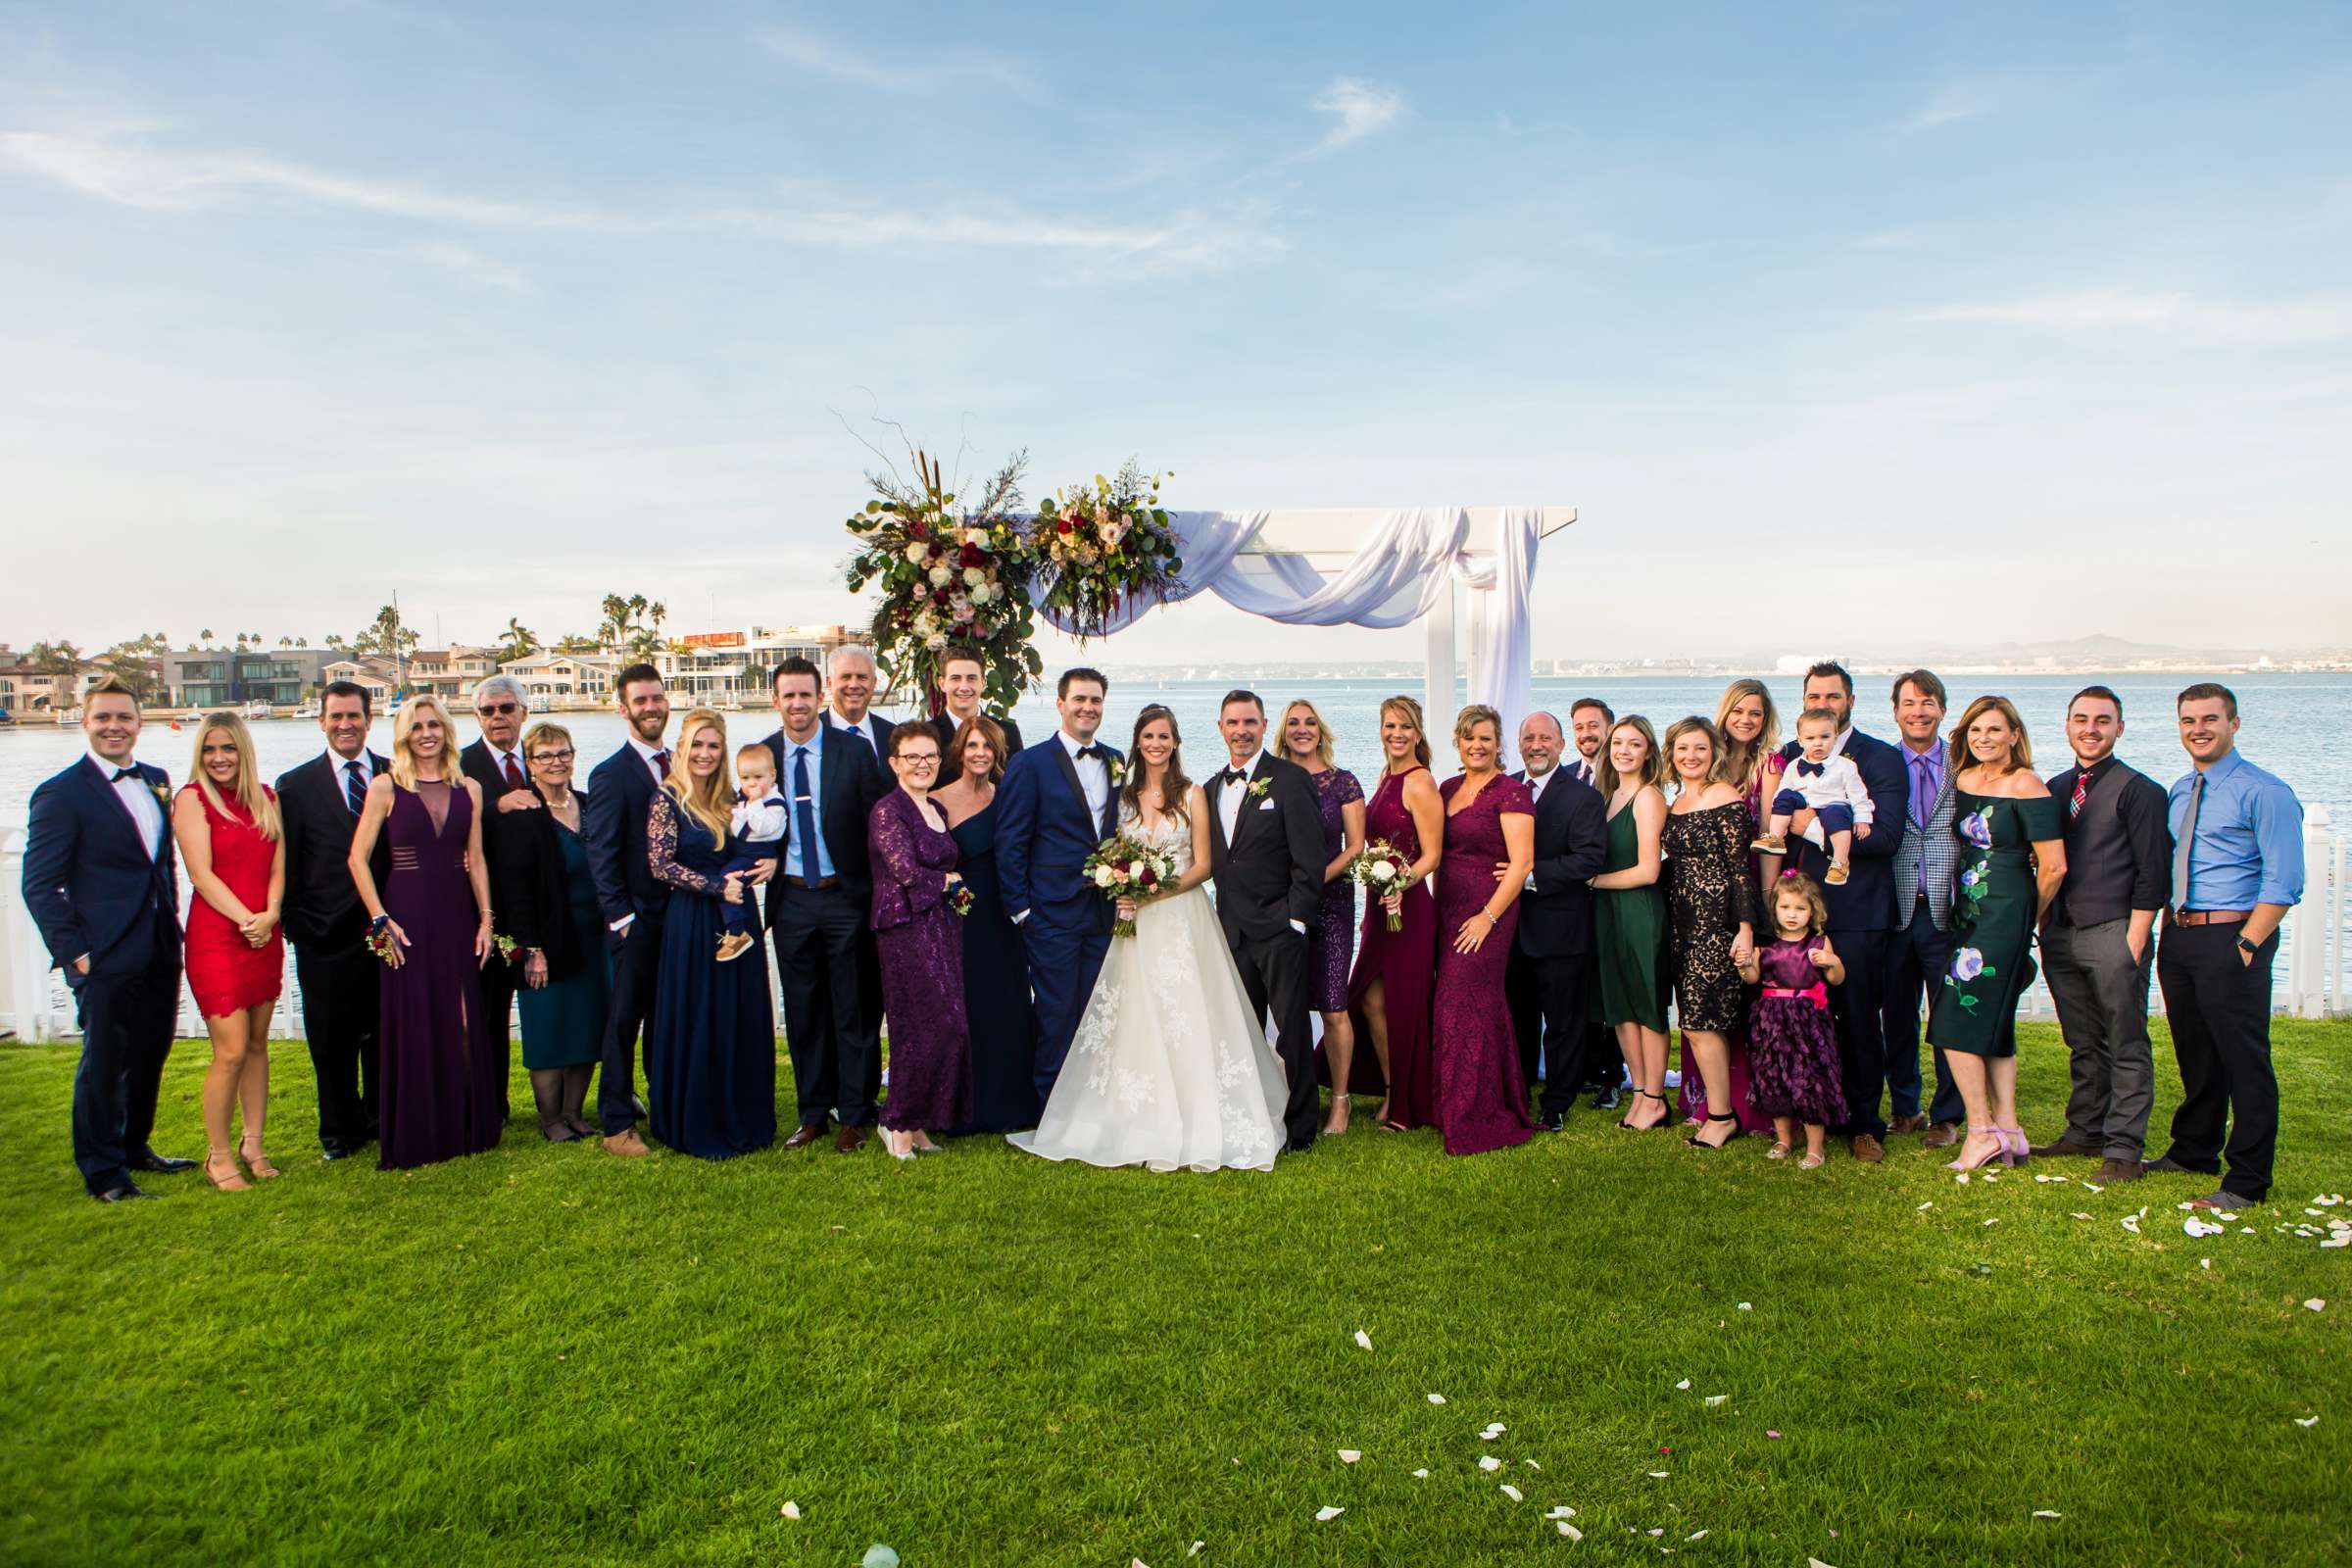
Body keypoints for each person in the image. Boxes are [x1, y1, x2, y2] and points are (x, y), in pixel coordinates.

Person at [1010, 705, 1290, 1171]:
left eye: (1164, 736)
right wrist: (1121, 886)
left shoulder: (1192, 794)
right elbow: (1111, 854)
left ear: (1176, 741)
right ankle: (1134, 1115)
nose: (1156, 744)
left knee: (1189, 1011)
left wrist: (1152, 892)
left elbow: (1203, 865)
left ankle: (1198, 1114)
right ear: (1138, 742)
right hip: (1133, 924)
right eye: (1148, 737)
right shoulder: (1124, 797)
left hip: (1181, 916)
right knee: (1135, 1014)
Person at [23, 677, 194, 1200]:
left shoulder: (158, 780)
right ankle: (102, 1170)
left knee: (150, 1050)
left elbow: (160, 865)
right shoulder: (61, 793)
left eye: (123, 717)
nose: (114, 727)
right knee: (104, 1061)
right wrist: (76, 952)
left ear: (139, 723)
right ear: (85, 722)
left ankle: (134, 1146)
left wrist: (173, 926)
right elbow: (39, 884)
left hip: (159, 945)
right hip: (102, 952)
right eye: (103, 718)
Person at [2146, 683, 2304, 1210]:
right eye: (2189, 720)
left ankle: (2247, 1181)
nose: (2199, 729)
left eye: (2210, 719)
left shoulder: (2266, 791)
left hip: (2232, 936)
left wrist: (2247, 942)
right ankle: (2194, 1150)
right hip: (2181, 934)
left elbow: (2284, 881)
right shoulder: (2180, 789)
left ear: (2234, 724)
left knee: (2244, 1060)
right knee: (2196, 1052)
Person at [347, 695, 502, 1171]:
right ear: (403, 734)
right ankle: (418, 1129)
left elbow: (475, 859)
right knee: (414, 1020)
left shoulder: (469, 788)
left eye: (434, 724)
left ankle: (465, 1126)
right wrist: (379, 917)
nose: (427, 733)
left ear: (446, 730)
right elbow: (357, 859)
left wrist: (487, 919)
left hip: (456, 911)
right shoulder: (385, 787)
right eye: (417, 727)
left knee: (460, 1018)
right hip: (406, 916)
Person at [2033, 686, 2172, 1183]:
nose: (2091, 729)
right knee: (2083, 1038)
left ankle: (2124, 1147)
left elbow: (2154, 871)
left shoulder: (2141, 790)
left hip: (2116, 930)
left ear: (2119, 728)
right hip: (2061, 932)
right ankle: (2085, 1130)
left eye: (2103, 720)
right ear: (2067, 725)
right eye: (2081, 719)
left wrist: (2137, 933)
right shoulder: (2053, 787)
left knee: (2125, 1038)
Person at [1924, 696, 2067, 1174]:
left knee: (1951, 1017)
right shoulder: (1965, 779)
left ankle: (1980, 1130)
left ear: (2013, 735)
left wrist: (2026, 917)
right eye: (1975, 731)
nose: (1984, 738)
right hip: (1968, 909)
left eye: (1994, 730)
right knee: (1997, 1022)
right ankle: (2009, 1129)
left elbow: (2053, 866)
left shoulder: (2027, 784)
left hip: (2005, 914)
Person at [1777, 662, 1908, 1163]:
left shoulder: (1877, 758)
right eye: (1815, 695)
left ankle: (1864, 1124)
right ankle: (1811, 1115)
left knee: (1855, 1020)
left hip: (1857, 912)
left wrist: (1808, 825)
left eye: (1834, 696)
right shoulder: (1791, 757)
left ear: (1850, 701)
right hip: (1796, 911)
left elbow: (1887, 837)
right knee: (1801, 1020)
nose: (1825, 703)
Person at [764, 657, 888, 1152]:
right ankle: (813, 1113)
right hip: (791, 899)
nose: (797, 703)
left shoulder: (853, 753)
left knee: (853, 1011)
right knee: (803, 1012)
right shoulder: (763, 756)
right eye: (787, 695)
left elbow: (873, 829)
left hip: (845, 897)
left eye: (805, 694)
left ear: (822, 697)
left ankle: (855, 1114)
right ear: (776, 701)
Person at [646, 710, 778, 1159]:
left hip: (738, 915)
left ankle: (742, 1112)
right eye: (696, 745)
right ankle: (697, 1115)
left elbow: (764, 840)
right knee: (700, 1011)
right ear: (681, 749)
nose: (704, 753)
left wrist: (771, 864)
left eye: (713, 746)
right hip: (693, 920)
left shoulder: (734, 797)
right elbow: (660, 865)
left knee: (737, 1011)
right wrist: (717, 885)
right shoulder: (667, 797)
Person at [1205, 688, 1330, 1152]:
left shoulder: (1291, 779)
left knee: (1293, 1032)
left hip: (1280, 930)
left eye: (1250, 722)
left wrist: (1296, 919)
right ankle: (1249, 1116)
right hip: (1232, 931)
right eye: (1233, 723)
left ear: (1262, 727)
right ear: (1221, 728)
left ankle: (1301, 1128)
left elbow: (1310, 858)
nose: (1241, 731)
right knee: (1242, 1030)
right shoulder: (1210, 788)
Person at [275, 680, 390, 1159]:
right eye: (336, 716)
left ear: (369, 718)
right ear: (322, 720)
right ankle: (339, 1130)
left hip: (389, 930)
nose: (346, 724)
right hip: (324, 935)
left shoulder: (395, 773)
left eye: (354, 715)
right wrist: (297, 925)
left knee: (385, 1032)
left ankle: (383, 1117)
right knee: (331, 1037)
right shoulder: (295, 785)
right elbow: (288, 862)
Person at [998, 667, 1122, 1108]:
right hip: (1050, 913)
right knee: (1055, 1012)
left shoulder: (1114, 759)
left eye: (1095, 700)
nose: (1088, 707)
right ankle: (1049, 1105)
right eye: (1080, 699)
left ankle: (1090, 1101)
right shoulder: (1029, 763)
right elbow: (1010, 840)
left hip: (1103, 910)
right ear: (1060, 704)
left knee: (1095, 1009)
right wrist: (1023, 911)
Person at [172, 711, 287, 1191]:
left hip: (265, 933)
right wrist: (246, 919)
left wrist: (271, 914)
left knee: (258, 1046)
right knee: (232, 1050)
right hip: (218, 938)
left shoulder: (267, 799)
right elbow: (201, 875)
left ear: (243, 751)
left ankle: (253, 1145)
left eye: (228, 748)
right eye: (209, 749)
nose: (219, 758)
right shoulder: (191, 800)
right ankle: (218, 1155)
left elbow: (279, 866)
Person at [491, 721, 609, 1142]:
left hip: (594, 935)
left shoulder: (590, 804)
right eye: (545, 756)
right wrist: (529, 949)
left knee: (587, 1024)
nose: (556, 762)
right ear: (530, 765)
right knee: (548, 1028)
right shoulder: (524, 814)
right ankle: (551, 1119)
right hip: (547, 935)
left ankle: (576, 1113)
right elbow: (515, 889)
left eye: (563, 753)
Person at [1428, 706, 1538, 1155]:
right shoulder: (1448, 787)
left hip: (1487, 914)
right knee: (1453, 1002)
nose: (1477, 745)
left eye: (1486, 739)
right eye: (1470, 737)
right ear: (1458, 741)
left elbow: (1522, 863)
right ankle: (1454, 1104)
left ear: (1498, 745)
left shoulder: (1511, 793)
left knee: (1465, 1003)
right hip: (1447, 909)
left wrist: (1487, 917)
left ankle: (1476, 1112)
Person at [933, 714, 1042, 1133]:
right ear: (960, 749)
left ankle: (1012, 1106)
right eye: (973, 745)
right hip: (959, 915)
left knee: (1009, 1003)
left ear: (999, 754)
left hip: (1005, 912)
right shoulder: (938, 800)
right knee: (964, 1007)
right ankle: (962, 1107)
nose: (980, 754)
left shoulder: (1007, 795)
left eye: (988, 747)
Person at [869, 723, 973, 1158]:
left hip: (942, 927)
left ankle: (918, 1120)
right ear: (895, 763)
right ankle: (895, 1123)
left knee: (948, 1027)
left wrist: (955, 891)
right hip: (905, 928)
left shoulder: (936, 808)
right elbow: (905, 870)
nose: (923, 764)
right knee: (919, 1027)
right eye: (912, 757)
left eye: (930, 756)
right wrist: (949, 881)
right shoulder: (887, 811)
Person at [582, 662, 670, 1158]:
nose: (651, 707)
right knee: (624, 1023)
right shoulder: (610, 774)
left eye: (656, 698)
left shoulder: (681, 763)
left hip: (676, 919)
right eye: (640, 701)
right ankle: (616, 1120)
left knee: (665, 1018)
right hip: (635, 921)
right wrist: (622, 918)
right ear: (624, 709)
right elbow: (602, 852)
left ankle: (666, 1106)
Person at [1505, 710, 1607, 1130]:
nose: (1536, 745)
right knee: (1518, 1017)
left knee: (1563, 1022)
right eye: (1529, 738)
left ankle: (1557, 1102)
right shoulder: (1507, 788)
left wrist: (1529, 877)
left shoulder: (1582, 796)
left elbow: (1589, 858)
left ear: (1561, 745)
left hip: (1561, 927)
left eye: (1545, 738)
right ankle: (1519, 1090)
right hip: (1510, 929)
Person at [1660, 716, 1758, 1151]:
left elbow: (1741, 871)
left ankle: (1722, 1116)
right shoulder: (1677, 800)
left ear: (1713, 752)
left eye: (1699, 748)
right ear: (1672, 754)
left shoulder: (1725, 797)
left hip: (1716, 926)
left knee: (1703, 1022)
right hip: (1681, 925)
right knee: (1694, 1021)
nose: (1690, 756)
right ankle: (1713, 1108)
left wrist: (1746, 929)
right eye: (1682, 749)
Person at [1347, 696, 1445, 1132]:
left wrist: (1398, 885)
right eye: (1389, 726)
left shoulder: (1421, 781)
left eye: (1405, 727)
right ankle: (1391, 1089)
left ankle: (1409, 1104)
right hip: (1379, 904)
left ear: (1418, 733)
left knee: (1405, 1005)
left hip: (1409, 908)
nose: (1397, 734)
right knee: (1369, 999)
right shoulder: (1387, 774)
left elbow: (1432, 855)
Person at [1691, 679, 1782, 1135]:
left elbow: (1769, 837)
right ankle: (1706, 1099)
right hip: (1701, 897)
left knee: (1745, 995)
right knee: (1706, 1000)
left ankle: (1751, 1105)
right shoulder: (1706, 757)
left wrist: (1765, 901)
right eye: (1739, 711)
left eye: (1756, 713)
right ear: (1725, 712)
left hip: (1748, 886)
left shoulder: (1770, 765)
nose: (1746, 720)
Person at [1883, 670, 1966, 1146]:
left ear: (1942, 710)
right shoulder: (1879, 762)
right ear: (1895, 710)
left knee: (1949, 1012)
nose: (1919, 710)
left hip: (1946, 907)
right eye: (1910, 703)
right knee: (1897, 1014)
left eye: (1928, 702)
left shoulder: (1963, 762)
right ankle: (1905, 1106)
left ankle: (1948, 1114)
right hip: (1893, 907)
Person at [1282, 698, 1368, 1130]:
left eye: (1310, 722)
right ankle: (1290, 1094)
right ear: (1283, 731)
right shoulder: (1274, 781)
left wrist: (1315, 881)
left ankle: (1339, 1100)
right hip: (1286, 907)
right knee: (1289, 1006)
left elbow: (1356, 846)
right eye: (1293, 723)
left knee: (1334, 1008)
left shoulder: (1343, 783)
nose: (1302, 729)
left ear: (1321, 730)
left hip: (1332, 903)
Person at [460, 672, 537, 1125]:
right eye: (487, 711)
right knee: (486, 1015)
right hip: (483, 914)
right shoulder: (461, 764)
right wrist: (496, 807)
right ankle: (490, 1104)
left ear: (523, 712)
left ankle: (562, 1099)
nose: (497, 718)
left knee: (546, 1002)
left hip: (534, 911)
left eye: (506, 708)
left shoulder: (541, 756)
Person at [1592, 715, 1673, 1129]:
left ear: (1648, 752)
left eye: (1634, 744)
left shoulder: (1647, 797)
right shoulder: (1607, 796)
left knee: (1648, 1006)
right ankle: (1640, 1091)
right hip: (1608, 913)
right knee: (1620, 1008)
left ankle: (1657, 1097)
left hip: (1639, 911)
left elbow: (1648, 870)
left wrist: (1593, 881)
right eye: (1618, 742)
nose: (1623, 750)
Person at [1738, 873, 1847, 1169]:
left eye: (1799, 909)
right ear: (1775, 908)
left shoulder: (1819, 942)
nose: (1792, 915)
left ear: (1812, 911)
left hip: (1808, 1020)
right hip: (1772, 1019)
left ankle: (1815, 1147)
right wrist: (1743, 965)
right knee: (1774, 1077)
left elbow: (1836, 980)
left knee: (1810, 1079)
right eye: (1785, 908)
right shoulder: (1767, 945)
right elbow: (1753, 978)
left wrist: (1833, 963)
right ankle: (1784, 1138)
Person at [1567, 697, 1625, 1108]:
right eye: (1580, 727)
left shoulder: (1624, 781)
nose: (1587, 734)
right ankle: (1585, 1068)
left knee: (1612, 986)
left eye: (1594, 726)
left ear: (1609, 728)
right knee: (1582, 986)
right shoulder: (1568, 778)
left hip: (1613, 896)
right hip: (1572, 902)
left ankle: (1613, 1074)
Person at [1753, 709, 1874, 883]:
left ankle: (1840, 863)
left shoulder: (1845, 766)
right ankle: (1775, 838)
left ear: (1835, 737)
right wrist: (1782, 807)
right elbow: (1783, 789)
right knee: (1785, 794)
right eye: (1810, 738)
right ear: (1800, 740)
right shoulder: (1795, 765)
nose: (1818, 743)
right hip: (1804, 804)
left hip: (1833, 805)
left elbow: (1858, 794)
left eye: (1825, 737)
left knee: (1837, 816)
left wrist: (1863, 818)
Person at [714, 744, 788, 962]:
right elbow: (738, 825)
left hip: (757, 855)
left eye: (758, 777)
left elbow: (764, 827)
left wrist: (754, 804)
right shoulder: (744, 799)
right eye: (745, 778)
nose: (752, 784)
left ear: (772, 775)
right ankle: (734, 928)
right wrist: (733, 812)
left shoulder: (774, 803)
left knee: (726, 880)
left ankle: (737, 932)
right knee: (726, 878)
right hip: (742, 852)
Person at [939, 641, 1024, 755]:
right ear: (942, 684)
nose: (964, 687)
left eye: (971, 678)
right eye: (955, 678)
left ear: (983, 683)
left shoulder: (1008, 733)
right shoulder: (926, 734)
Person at [824, 643, 897, 757]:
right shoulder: (810, 732)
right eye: (846, 677)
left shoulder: (893, 735)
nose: (854, 685)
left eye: (862, 677)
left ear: (874, 683)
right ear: (829, 683)